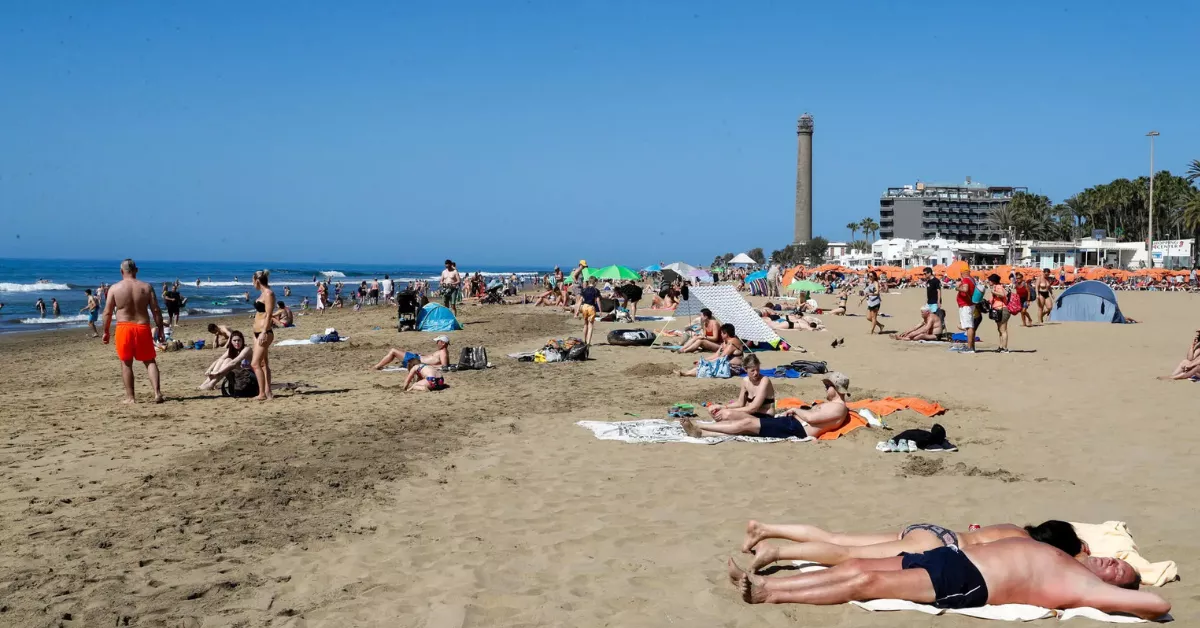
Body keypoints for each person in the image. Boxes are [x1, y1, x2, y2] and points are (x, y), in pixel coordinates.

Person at [726, 538, 1164, 620]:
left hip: (970, 581)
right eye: (1114, 561)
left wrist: (1115, 594)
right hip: (951, 556)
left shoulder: (1084, 587)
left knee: (866, 585)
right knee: (856, 568)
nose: (1111, 564)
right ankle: (765, 585)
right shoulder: (1072, 556)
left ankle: (768, 593)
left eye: (1118, 572)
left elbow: (1158, 606)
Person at [743, 519, 1089, 573]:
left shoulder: (1016, 527)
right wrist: (1080, 553)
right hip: (937, 543)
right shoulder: (1028, 547)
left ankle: (764, 528)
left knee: (837, 538)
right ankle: (776, 553)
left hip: (931, 528)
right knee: (847, 555)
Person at [680, 372, 849, 439]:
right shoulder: (832, 404)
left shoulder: (839, 407)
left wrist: (795, 409)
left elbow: (811, 418)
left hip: (796, 428)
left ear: (836, 388)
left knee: (747, 423)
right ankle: (702, 432)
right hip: (792, 424)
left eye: (828, 386)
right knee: (746, 427)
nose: (825, 388)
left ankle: (701, 426)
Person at [102, 259, 166, 403]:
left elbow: (107, 312)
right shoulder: (146, 287)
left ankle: (130, 398)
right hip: (142, 326)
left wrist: (105, 331)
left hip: (124, 328)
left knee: (126, 363)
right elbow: (156, 310)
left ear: (121, 271)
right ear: (136, 270)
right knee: (150, 361)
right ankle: (157, 393)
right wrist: (160, 328)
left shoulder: (114, 288)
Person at [704, 355, 775, 421]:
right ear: (745, 369)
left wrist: (728, 411)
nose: (756, 373)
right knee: (713, 410)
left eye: (758, 369)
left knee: (728, 414)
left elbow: (753, 408)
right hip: (752, 415)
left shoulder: (764, 381)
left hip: (765, 417)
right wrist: (722, 407)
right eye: (752, 370)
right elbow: (740, 403)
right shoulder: (745, 381)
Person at [676, 324, 745, 377]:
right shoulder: (725, 342)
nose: (720, 335)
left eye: (722, 333)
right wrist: (703, 360)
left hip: (734, 368)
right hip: (725, 364)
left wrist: (706, 362)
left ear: (726, 334)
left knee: (708, 367)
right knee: (704, 364)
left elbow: (722, 357)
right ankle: (687, 372)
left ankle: (686, 374)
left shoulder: (732, 343)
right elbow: (716, 355)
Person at [251, 270, 276, 401]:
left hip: (264, 332)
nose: (252, 284)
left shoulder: (268, 293)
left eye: (252, 281)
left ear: (257, 281)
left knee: (254, 364)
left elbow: (269, 315)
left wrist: (264, 332)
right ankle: (268, 392)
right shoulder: (262, 294)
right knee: (263, 363)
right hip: (257, 332)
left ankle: (261, 393)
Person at [373, 335, 451, 370]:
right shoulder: (443, 351)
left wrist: (425, 366)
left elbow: (444, 366)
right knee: (395, 352)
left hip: (416, 361)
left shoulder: (443, 352)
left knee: (393, 351)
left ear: (443, 343)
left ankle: (376, 367)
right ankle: (378, 366)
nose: (436, 343)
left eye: (438, 341)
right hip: (417, 358)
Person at [987, 273, 1011, 353]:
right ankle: (1001, 346)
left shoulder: (998, 287)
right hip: (997, 310)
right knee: (1000, 330)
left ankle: (1005, 348)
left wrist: (994, 292)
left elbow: (1002, 294)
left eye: (989, 280)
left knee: (1003, 330)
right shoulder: (995, 287)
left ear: (993, 281)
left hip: (1003, 309)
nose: (988, 282)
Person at [956, 272, 980, 354]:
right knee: (969, 326)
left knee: (969, 326)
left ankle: (970, 348)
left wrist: (958, 287)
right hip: (969, 305)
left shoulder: (966, 279)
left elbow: (965, 289)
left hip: (966, 305)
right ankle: (971, 346)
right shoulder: (971, 279)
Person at [579, 277, 601, 345]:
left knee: (585, 324)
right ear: (594, 282)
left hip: (584, 306)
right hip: (591, 307)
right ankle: (588, 342)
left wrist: (577, 310)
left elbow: (580, 300)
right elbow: (598, 300)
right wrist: (600, 310)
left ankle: (584, 340)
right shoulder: (596, 290)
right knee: (590, 325)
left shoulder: (584, 289)